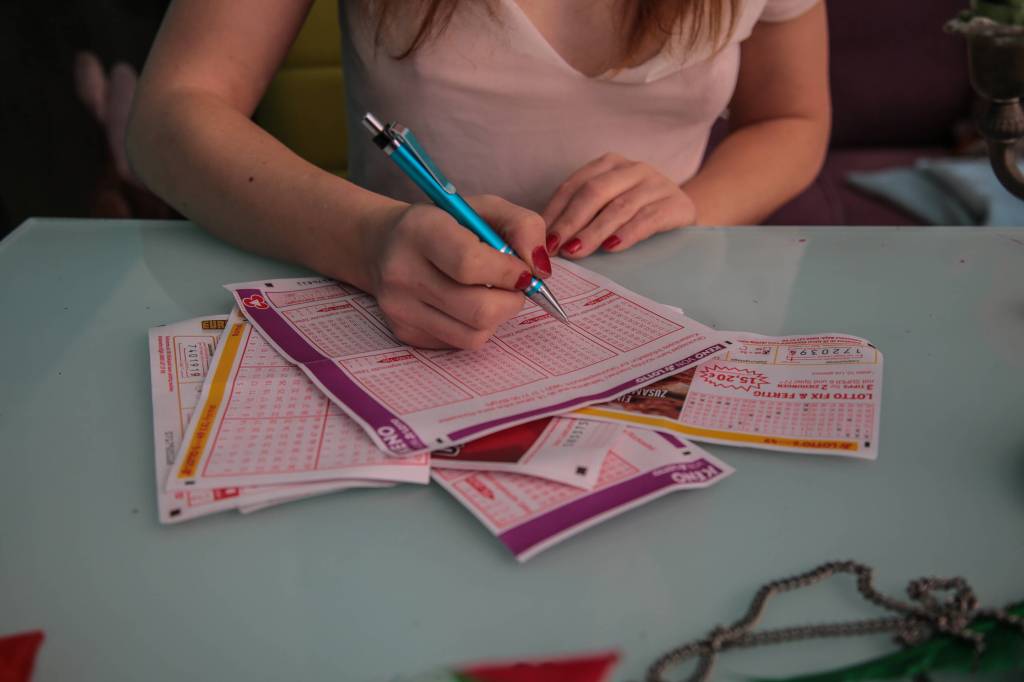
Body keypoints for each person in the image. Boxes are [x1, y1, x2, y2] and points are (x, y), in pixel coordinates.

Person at [126, 0, 830, 350]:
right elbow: (170, 118)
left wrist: (694, 202)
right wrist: (366, 240)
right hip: (392, 320)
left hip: (671, 330)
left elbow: (791, 121)